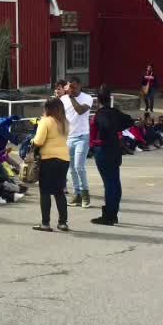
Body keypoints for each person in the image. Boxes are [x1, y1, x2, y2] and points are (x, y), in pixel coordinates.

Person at [89, 86, 135, 225]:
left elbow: (106, 125)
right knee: (115, 181)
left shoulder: (101, 114)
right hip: (115, 149)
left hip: (104, 149)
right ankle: (113, 212)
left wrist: (101, 137)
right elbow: (129, 120)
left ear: (98, 100)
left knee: (109, 183)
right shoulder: (114, 112)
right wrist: (116, 129)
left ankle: (109, 215)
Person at [31, 96, 70, 232]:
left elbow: (39, 141)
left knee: (45, 191)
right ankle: (63, 222)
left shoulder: (46, 121)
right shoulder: (65, 122)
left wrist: (32, 142)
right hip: (64, 159)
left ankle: (45, 223)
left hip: (49, 159)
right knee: (59, 191)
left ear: (47, 108)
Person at [62, 77, 93, 207]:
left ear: (80, 85)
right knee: (71, 168)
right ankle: (77, 195)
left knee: (79, 167)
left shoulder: (87, 98)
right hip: (69, 137)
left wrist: (71, 97)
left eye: (74, 87)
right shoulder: (63, 99)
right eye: (70, 87)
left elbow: (80, 111)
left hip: (82, 136)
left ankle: (86, 195)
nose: (72, 90)